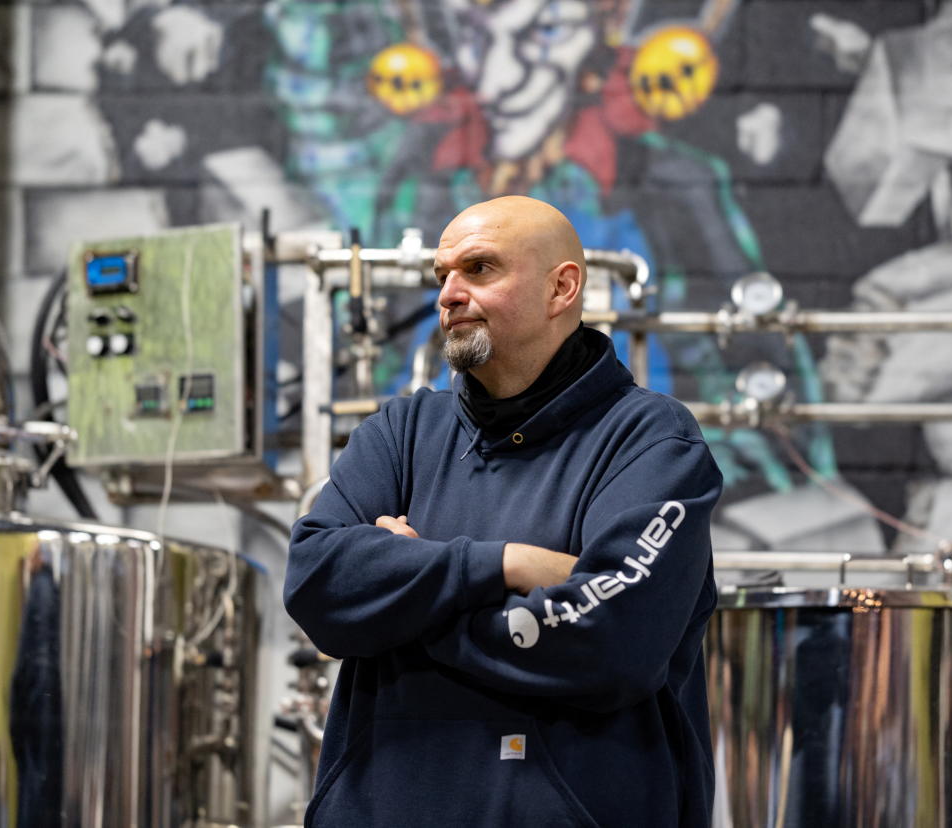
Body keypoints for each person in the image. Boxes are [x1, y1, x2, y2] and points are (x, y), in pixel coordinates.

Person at [283, 196, 722, 827]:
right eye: (442, 276)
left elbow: (613, 641)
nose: (449, 295)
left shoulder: (653, 443)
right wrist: (506, 566)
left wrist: (405, 608)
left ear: (561, 288)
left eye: (480, 269)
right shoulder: (402, 431)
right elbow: (315, 581)